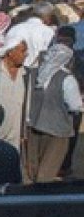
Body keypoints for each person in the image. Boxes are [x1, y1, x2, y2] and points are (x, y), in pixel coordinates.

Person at [24, 43, 83, 181]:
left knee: (33, 168)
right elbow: (75, 106)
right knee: (48, 170)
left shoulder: (35, 75)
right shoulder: (67, 79)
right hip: (57, 131)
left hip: (34, 127)